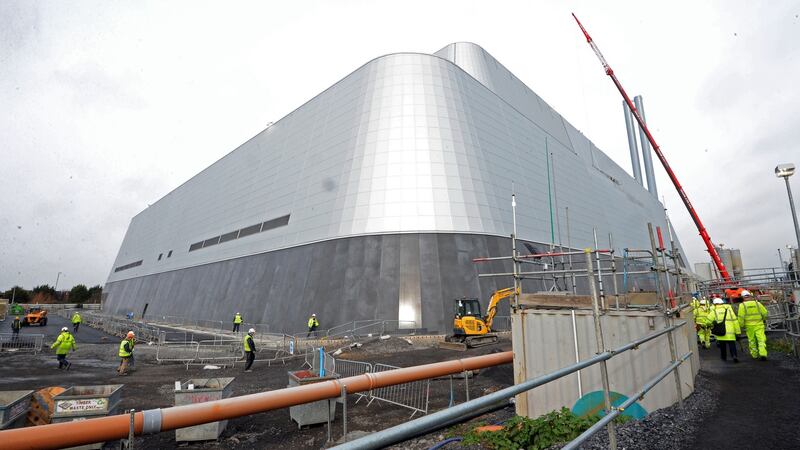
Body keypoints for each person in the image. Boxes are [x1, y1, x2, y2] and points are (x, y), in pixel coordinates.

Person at [737, 290, 769, 360]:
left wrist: (741, 325)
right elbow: (765, 313)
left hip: (749, 326)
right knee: (761, 339)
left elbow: (741, 317)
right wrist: (763, 319)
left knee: (752, 340)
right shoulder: (757, 303)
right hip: (759, 324)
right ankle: (763, 353)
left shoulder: (742, 305)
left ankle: (754, 355)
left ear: (743, 297)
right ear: (750, 296)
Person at [707, 297, 741, 362]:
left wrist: (710, 325)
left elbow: (708, 321)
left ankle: (724, 357)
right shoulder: (729, 310)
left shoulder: (714, 311)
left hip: (721, 332)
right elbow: (735, 321)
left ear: (714, 304)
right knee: (732, 345)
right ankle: (734, 356)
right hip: (731, 332)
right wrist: (738, 332)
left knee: (722, 346)